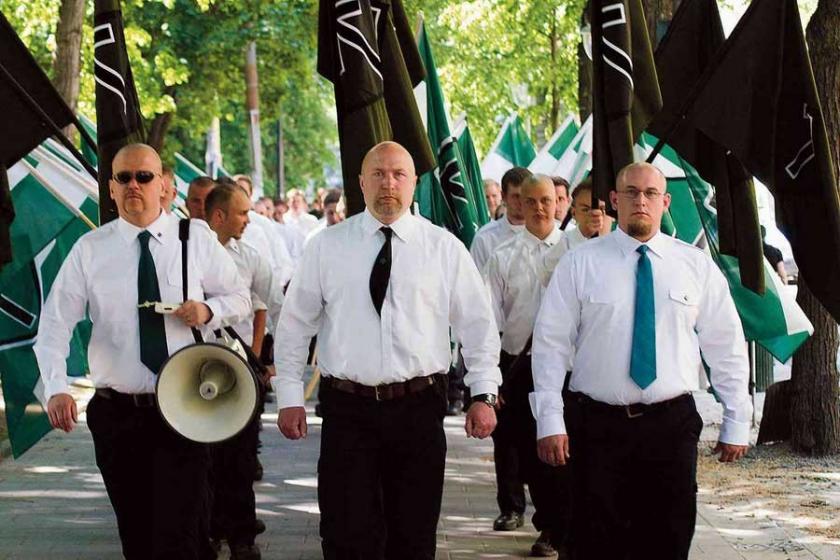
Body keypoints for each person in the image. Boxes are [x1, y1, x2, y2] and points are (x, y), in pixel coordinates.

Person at [274, 141, 501, 560]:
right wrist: (290, 396)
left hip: (418, 408)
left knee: (412, 536)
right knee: (346, 534)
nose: (388, 184)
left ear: (415, 182)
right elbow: (293, 326)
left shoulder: (444, 248)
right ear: (361, 182)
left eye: (399, 174)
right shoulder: (327, 246)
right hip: (348, 410)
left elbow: (478, 325)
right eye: (378, 174)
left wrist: (483, 393)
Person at [34, 144, 251, 559]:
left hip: (185, 408)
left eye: (144, 177)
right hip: (118, 413)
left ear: (165, 186)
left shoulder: (195, 238)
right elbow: (55, 322)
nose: (134, 185)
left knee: (182, 532)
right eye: (124, 178)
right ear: (111, 189)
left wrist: (208, 309)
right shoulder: (91, 249)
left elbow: (240, 297)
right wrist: (56, 387)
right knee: (137, 534)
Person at [532, 162, 751, 560]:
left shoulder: (694, 266)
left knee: (667, 540)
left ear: (665, 202)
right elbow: (550, 345)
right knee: (592, 543)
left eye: (651, 194)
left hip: (670, 427)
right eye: (631, 192)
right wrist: (549, 419)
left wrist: (737, 417)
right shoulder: (581, 264)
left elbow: (726, 344)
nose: (641, 201)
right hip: (597, 427)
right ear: (615, 201)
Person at [484, 175, 570, 557]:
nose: (539, 208)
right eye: (530, 200)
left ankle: (561, 525)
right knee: (531, 453)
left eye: (547, 201)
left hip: (570, 371)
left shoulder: (576, 254)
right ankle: (548, 523)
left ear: (559, 203)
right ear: (518, 202)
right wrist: (488, 382)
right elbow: (488, 321)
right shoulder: (502, 257)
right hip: (520, 368)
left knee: (568, 453)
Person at [205, 184, 283, 560]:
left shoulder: (252, 258)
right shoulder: (187, 254)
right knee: (200, 455)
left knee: (239, 456)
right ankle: (206, 527)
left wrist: (271, 359)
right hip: (194, 371)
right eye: (241, 213)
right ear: (219, 216)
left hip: (240, 366)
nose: (248, 220)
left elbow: (274, 306)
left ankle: (241, 535)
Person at [538, 179, 611, 286]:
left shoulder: (627, 248)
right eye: (586, 210)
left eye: (602, 209)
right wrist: (582, 234)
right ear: (574, 213)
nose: (595, 216)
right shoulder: (561, 243)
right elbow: (545, 275)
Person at [470, 167, 531, 273]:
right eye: (516, 196)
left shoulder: (548, 234)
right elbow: (475, 283)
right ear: (504, 196)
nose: (521, 201)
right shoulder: (485, 239)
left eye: (526, 195)